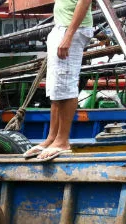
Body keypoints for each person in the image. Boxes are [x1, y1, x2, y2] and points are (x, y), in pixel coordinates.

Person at [24, 0, 94, 161]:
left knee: (66, 84)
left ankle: (62, 141)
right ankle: (52, 137)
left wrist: (68, 36)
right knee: (56, 87)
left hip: (72, 30)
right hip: (61, 27)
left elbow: (84, 2)